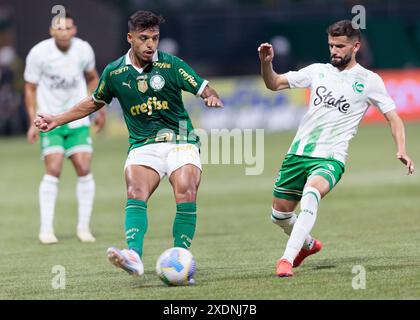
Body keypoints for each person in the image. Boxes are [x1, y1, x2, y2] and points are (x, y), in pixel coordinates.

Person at [34, 10, 223, 278]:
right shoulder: (115, 72)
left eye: (155, 38)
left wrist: (209, 97)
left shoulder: (172, 65)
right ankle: (134, 256)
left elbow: (205, 87)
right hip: (143, 145)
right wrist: (57, 119)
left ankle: (181, 257)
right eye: (144, 38)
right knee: (135, 190)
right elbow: (93, 101)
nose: (150, 45)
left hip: (181, 140)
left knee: (186, 188)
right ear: (130, 37)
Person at [258, 20, 414, 277]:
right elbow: (273, 83)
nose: (334, 51)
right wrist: (266, 63)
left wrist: (402, 149)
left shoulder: (369, 80)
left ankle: (286, 258)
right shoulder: (317, 71)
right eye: (331, 45)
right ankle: (307, 245)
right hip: (298, 153)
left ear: (356, 46)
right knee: (278, 215)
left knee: (311, 193)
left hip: (331, 158)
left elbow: (394, 117)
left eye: (340, 46)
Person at [24, 12, 106, 244]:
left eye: (67, 28)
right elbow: (30, 88)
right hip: (50, 121)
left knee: (83, 166)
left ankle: (83, 228)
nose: (63, 32)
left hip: (77, 119)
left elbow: (92, 78)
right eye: (58, 28)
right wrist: (33, 120)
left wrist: (99, 109)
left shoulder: (83, 50)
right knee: (54, 168)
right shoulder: (39, 53)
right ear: (51, 31)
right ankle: (46, 229)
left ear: (74, 30)